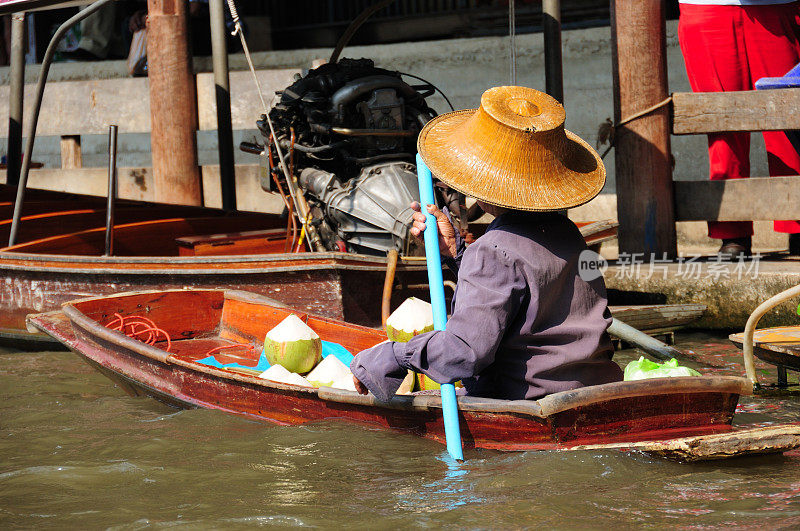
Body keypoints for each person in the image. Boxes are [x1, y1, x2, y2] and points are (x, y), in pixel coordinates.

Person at [350, 86, 624, 402]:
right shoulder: (567, 232)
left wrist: (393, 356)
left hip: (527, 402)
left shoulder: (493, 250)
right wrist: (455, 252)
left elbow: (463, 353)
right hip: (595, 392)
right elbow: (517, 290)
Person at [678, 0, 800, 256]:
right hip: (707, 6)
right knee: (721, 123)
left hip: (776, 6)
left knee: (789, 120)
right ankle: (733, 233)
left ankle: (798, 226)